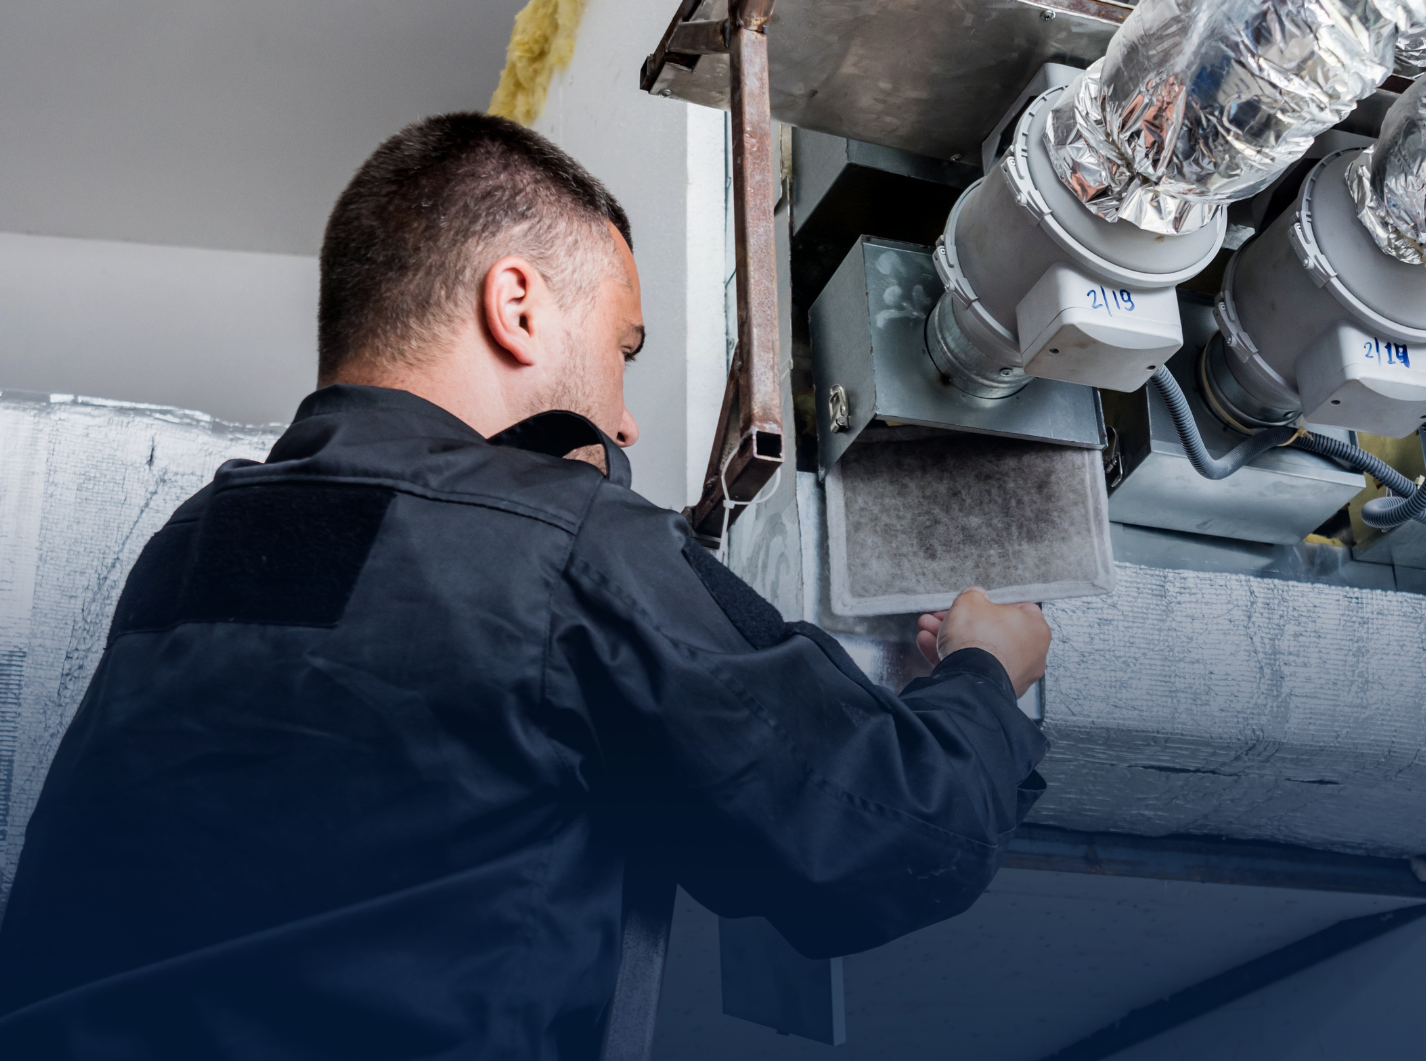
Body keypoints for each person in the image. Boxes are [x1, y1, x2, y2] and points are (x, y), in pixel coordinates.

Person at [0, 113, 1053, 1059]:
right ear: (516, 305)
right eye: (621, 348)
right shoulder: (559, 538)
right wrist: (982, 674)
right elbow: (890, 833)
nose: (625, 419)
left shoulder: (191, 543)